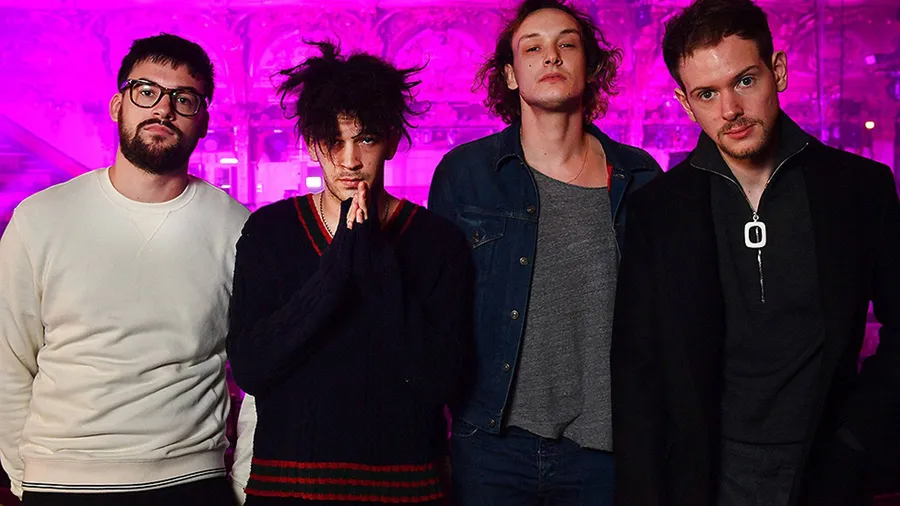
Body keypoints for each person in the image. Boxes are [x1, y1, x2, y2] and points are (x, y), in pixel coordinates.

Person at [610, 1, 900, 505]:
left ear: (777, 71)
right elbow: (637, 368)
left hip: (825, 466)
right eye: (707, 93)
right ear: (686, 104)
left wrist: (855, 440)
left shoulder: (860, 188)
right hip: (705, 476)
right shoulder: (659, 210)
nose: (730, 110)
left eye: (744, 81)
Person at [427, 0, 661, 503]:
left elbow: (662, 319)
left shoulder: (640, 177)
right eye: (532, 48)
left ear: (590, 67)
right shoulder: (465, 175)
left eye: (566, 44)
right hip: (490, 445)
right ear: (511, 75)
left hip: (603, 451)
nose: (551, 56)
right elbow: (435, 318)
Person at [0, 33, 248, 505]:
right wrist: (26, 478)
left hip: (192, 482)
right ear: (118, 105)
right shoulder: (40, 218)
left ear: (203, 121)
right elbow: (6, 361)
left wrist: (240, 484)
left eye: (184, 99)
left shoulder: (237, 228)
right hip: (62, 481)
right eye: (146, 91)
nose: (163, 110)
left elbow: (259, 371)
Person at [226, 41, 472, 504]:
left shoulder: (437, 242)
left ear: (392, 141)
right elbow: (252, 369)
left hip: (403, 491)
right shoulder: (270, 232)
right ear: (311, 144)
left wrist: (376, 263)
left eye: (366, 139)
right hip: (289, 490)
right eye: (333, 141)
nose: (350, 161)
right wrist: (334, 272)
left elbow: (439, 380)